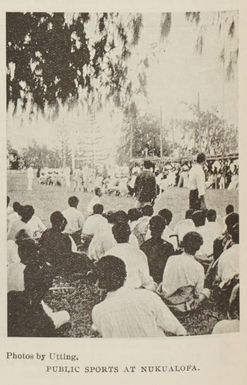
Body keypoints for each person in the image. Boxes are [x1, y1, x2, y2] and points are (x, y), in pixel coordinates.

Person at [91, 256, 186, 337]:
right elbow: (178, 329)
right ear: (125, 276)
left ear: (99, 282)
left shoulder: (98, 311)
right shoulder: (147, 296)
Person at [161, 232, 209, 304]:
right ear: (198, 248)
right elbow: (197, 293)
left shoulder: (171, 259)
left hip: (166, 300)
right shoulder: (199, 267)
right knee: (206, 291)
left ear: (183, 244)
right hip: (182, 305)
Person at [106, 222, 156, 290]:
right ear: (129, 234)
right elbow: (146, 280)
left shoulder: (108, 254)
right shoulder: (139, 253)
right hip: (135, 292)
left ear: (114, 235)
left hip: (115, 292)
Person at [141, 215, 174, 284]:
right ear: (163, 228)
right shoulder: (169, 247)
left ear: (150, 228)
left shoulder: (144, 246)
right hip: (164, 282)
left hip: (148, 282)